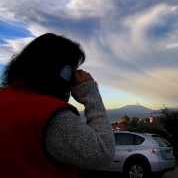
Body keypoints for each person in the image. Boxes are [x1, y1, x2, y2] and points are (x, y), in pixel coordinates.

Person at [0, 33, 115, 177]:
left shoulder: (4, 99)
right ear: (64, 72)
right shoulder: (51, 115)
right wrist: (91, 94)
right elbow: (103, 153)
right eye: (74, 69)